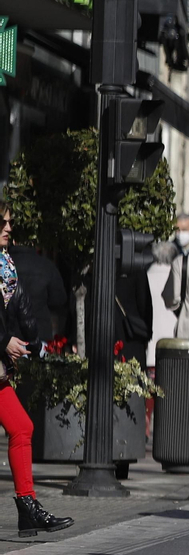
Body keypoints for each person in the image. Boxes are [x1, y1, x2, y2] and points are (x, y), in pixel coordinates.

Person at [0, 207, 71, 536]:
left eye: (11, 222)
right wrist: (5, 341)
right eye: (3, 222)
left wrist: (34, 342)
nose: (9, 228)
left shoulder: (7, 264)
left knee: (22, 427)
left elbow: (24, 307)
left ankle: (27, 507)